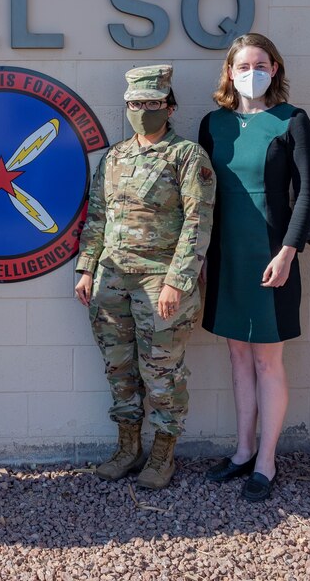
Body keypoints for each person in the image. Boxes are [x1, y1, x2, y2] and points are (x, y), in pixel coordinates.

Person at [74, 65, 216, 489]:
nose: (144, 110)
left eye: (153, 103)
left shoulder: (187, 156)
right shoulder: (114, 157)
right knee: (119, 369)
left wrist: (178, 281)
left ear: (170, 107)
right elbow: (96, 216)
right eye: (136, 104)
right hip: (111, 281)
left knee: (162, 372)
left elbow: (198, 220)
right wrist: (85, 268)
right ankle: (128, 447)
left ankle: (162, 453)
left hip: (161, 281)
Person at [198, 33, 310, 502]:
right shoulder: (213, 124)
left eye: (261, 64)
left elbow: (307, 192)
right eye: (243, 65)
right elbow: (202, 196)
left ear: (275, 68)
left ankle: (267, 460)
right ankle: (242, 450)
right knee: (237, 357)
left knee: (268, 361)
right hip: (226, 256)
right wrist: (202, 257)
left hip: (273, 255)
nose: (253, 72)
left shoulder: (293, 120)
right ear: (230, 71)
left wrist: (289, 252)